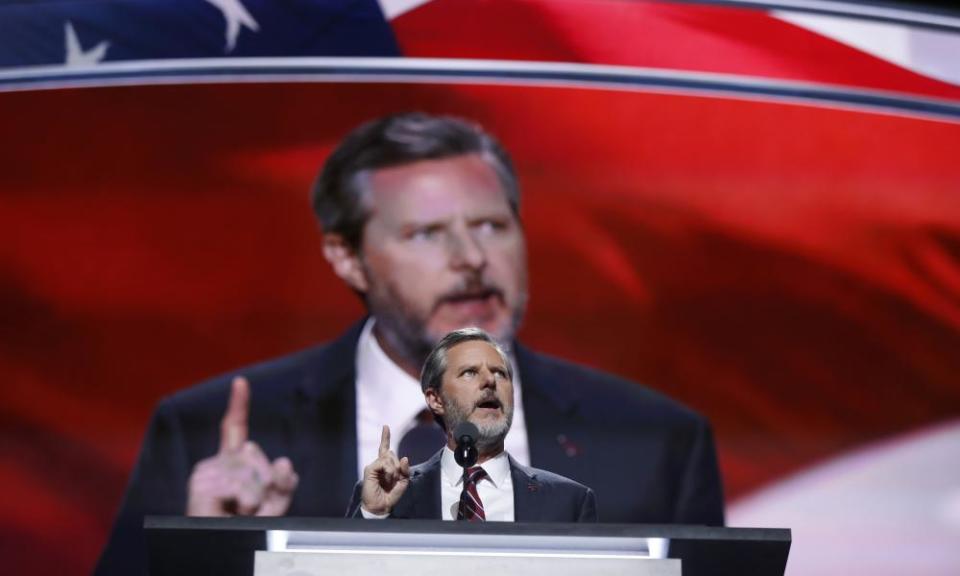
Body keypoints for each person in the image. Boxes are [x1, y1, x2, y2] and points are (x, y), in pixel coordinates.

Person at [95, 112, 723, 575]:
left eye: (491, 226)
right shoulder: (206, 434)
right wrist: (212, 553)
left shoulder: (659, 442)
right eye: (426, 234)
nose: (472, 259)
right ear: (347, 259)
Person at [348, 328, 596, 522]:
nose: (490, 381)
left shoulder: (568, 501)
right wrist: (375, 514)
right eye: (469, 372)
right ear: (435, 400)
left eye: (500, 373)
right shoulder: (391, 494)